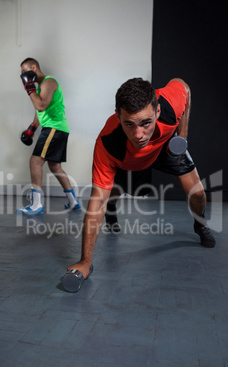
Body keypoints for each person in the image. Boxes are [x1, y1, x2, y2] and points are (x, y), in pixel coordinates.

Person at [66, 77, 216, 280]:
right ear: (118, 116)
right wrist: (85, 262)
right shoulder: (109, 144)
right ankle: (112, 210)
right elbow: (96, 201)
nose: (138, 135)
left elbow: (184, 87)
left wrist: (183, 135)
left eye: (146, 123)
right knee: (114, 190)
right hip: (131, 159)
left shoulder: (171, 104)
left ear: (158, 112)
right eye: (129, 124)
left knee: (198, 194)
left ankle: (200, 224)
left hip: (166, 147)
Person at [17, 57, 80, 214]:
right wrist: (32, 128)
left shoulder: (48, 82)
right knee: (55, 166)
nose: (23, 74)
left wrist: (29, 88)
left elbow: (41, 104)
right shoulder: (40, 87)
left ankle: (36, 204)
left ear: (34, 67)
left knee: (35, 161)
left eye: (25, 70)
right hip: (57, 128)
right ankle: (73, 202)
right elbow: (41, 111)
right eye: (22, 72)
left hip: (54, 128)